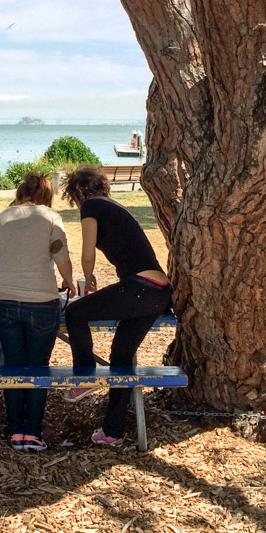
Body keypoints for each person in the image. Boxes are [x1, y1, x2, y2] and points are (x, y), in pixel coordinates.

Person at [60, 166, 173, 445]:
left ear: (77, 193)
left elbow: (87, 254)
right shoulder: (113, 206)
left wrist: (88, 277)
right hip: (158, 293)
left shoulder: (92, 206)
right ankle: (112, 431)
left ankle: (85, 376)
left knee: (75, 312)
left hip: (140, 288)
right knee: (121, 357)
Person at [0, 171, 77, 451]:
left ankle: (15, 430)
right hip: (42, 301)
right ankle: (33, 432)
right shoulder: (50, 218)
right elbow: (61, 255)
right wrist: (69, 283)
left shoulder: (0, 218)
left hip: (4, 299)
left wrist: (3, 277)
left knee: (11, 364)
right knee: (37, 366)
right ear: (45, 196)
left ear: (20, 194)